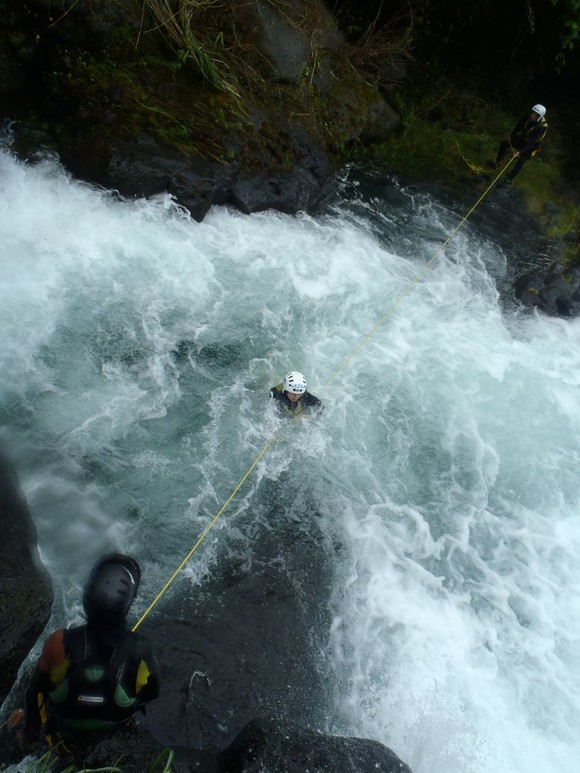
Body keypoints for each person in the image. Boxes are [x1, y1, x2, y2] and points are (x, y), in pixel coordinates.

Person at [18, 553, 160, 752]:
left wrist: (30, 735)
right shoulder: (140, 648)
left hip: (63, 733)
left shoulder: (58, 641)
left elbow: (35, 691)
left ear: (87, 598)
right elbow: (152, 693)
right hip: (113, 736)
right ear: (128, 604)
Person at [487, 104, 548, 185]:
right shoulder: (527, 116)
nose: (532, 115)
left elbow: (531, 143)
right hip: (524, 138)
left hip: (533, 145)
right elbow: (519, 126)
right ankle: (496, 164)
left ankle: (509, 179)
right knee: (504, 144)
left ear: (539, 117)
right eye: (532, 112)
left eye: (535, 115)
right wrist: (511, 136)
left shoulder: (540, 127)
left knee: (522, 160)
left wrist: (520, 152)